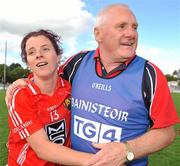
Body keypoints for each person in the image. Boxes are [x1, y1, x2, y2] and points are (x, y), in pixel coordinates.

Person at [6, 4, 179, 166]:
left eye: (135, 27)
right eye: (122, 26)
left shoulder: (150, 74)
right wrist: (21, 82)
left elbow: (167, 133)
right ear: (98, 34)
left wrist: (127, 150)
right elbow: (46, 75)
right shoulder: (77, 64)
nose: (131, 33)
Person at [6, 29, 93, 166]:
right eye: (31, 52)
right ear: (28, 63)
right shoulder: (21, 94)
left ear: (58, 56)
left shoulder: (71, 87)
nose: (39, 55)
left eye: (45, 49)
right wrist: (100, 161)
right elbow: (42, 149)